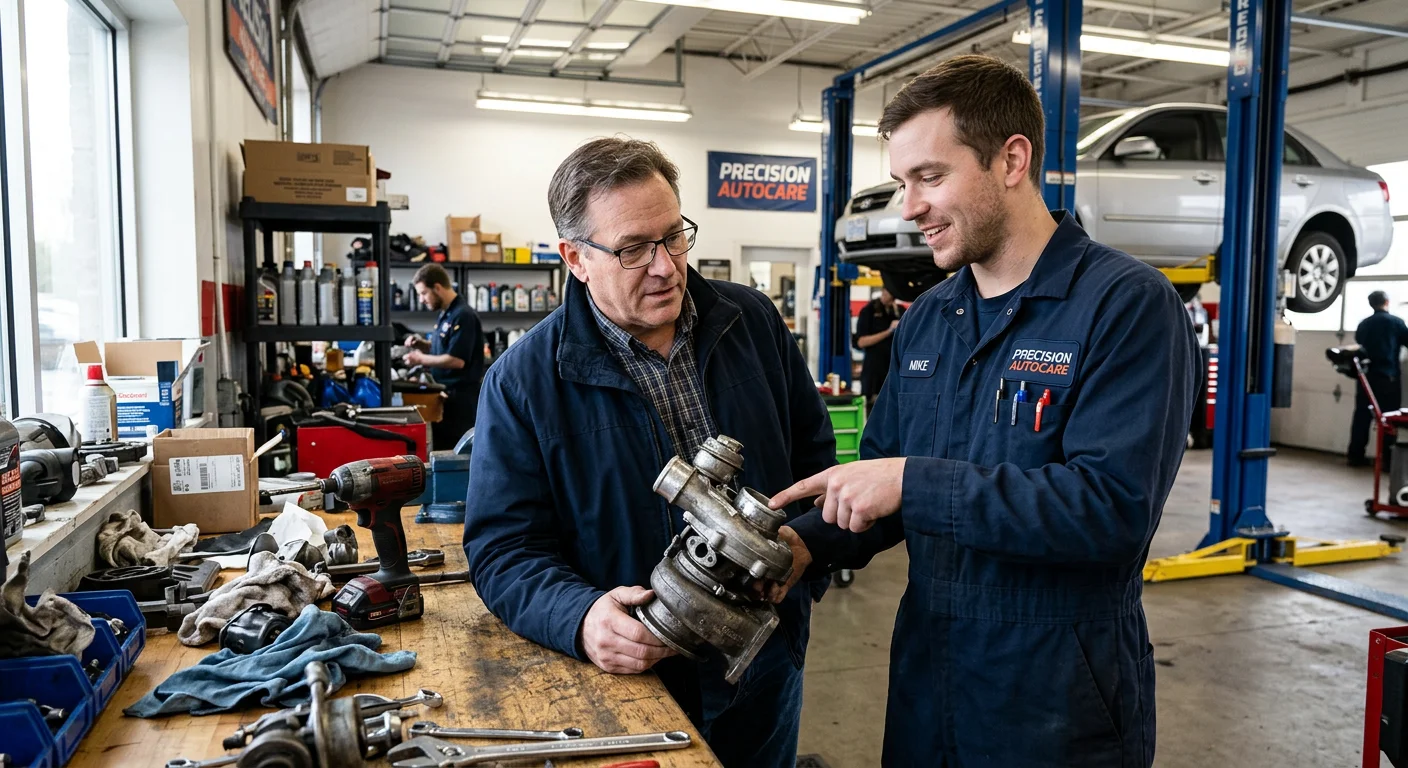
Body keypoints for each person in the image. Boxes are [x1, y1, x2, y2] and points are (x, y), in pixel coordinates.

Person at [765, 55, 1198, 767]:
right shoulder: (930, 320)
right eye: (904, 182)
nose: (909, 206)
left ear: (1011, 160)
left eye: (930, 177)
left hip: (1057, 697)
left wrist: (913, 482)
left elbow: (1111, 511)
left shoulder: (1126, 306)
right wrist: (804, 546)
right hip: (927, 684)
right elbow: (884, 492)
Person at [463, 137, 854, 767]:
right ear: (575, 259)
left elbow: (815, 459)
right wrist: (581, 617)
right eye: (633, 249)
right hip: (634, 682)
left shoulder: (751, 322)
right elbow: (503, 547)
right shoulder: (522, 381)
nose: (666, 266)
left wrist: (804, 551)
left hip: (766, 658)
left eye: (675, 236)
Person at [404, 263, 484, 450]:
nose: (421, 299)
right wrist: (423, 345)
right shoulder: (446, 314)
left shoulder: (463, 315)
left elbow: (456, 360)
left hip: (460, 402)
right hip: (446, 398)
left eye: (423, 293)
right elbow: (447, 347)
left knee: (453, 455)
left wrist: (419, 359)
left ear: (437, 287)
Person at [1348, 290, 1408, 466]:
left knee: (1361, 417)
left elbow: (1359, 344)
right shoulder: (1396, 323)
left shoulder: (1364, 324)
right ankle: (1387, 460)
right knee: (1389, 419)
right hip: (1387, 378)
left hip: (1366, 378)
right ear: (1387, 302)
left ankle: (1355, 456)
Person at [853, 288, 903, 409]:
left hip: (895, 371)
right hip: (874, 373)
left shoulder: (900, 311)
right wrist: (888, 331)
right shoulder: (869, 311)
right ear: (883, 291)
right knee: (874, 411)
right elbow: (861, 342)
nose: (889, 298)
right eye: (888, 293)